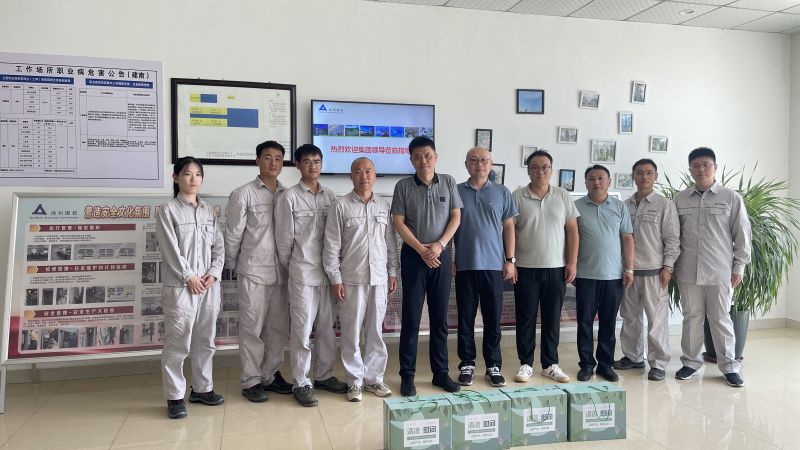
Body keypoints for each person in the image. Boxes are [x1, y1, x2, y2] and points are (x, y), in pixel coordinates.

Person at [275, 144, 347, 407]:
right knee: (302, 329)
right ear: (297, 165)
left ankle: (324, 375)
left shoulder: (331, 196)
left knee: (327, 328)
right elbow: (284, 241)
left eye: (317, 161)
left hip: (329, 274)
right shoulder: (289, 197)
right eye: (307, 162)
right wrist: (295, 266)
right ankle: (301, 382)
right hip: (303, 273)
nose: (312, 166)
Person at [674, 147, 751, 387]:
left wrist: (739, 267)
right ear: (690, 170)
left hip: (720, 271)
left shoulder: (731, 198)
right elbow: (674, 235)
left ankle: (729, 367)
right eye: (696, 166)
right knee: (691, 318)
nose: (701, 169)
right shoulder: (680, 199)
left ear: (715, 167)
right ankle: (690, 363)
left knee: (720, 318)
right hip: (688, 270)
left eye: (706, 164)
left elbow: (742, 235)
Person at [323, 157, 399, 402]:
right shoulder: (340, 206)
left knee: (375, 332)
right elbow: (331, 246)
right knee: (351, 332)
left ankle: (374, 379)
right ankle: (354, 381)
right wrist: (335, 278)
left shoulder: (383, 206)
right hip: (351, 279)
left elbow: (390, 243)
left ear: (375, 175)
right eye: (358, 171)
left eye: (368, 171)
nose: (363, 176)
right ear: (351, 176)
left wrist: (392, 272)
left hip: (379, 279)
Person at [392, 136, 463, 396]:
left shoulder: (449, 182)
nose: (424, 160)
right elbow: (398, 222)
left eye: (428, 155)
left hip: (440, 256)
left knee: (439, 318)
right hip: (414, 256)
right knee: (411, 319)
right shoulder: (403, 186)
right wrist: (422, 249)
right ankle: (407, 376)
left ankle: (440, 373)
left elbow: (456, 217)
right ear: (411, 160)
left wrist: (440, 246)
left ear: (436, 157)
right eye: (418, 156)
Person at [156, 156, 225, 419]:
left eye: (198, 174)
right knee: (178, 343)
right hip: (181, 287)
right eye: (187, 173)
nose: (193, 179)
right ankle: (175, 397)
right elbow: (170, 250)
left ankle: (202, 389)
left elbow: (219, 246)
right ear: (176, 178)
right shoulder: (167, 211)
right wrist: (189, 277)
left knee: (205, 341)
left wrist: (213, 274)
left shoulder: (208, 211)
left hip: (207, 285)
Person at [225, 140, 293, 403]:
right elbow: (233, 234)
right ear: (257, 160)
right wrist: (233, 266)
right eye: (267, 157)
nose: (273, 163)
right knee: (252, 328)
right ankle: (251, 379)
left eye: (278, 158)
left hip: (281, 272)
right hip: (253, 270)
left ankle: (270, 374)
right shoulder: (243, 194)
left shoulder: (288, 194)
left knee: (277, 329)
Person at [512, 150, 579, 384]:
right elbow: (509, 231)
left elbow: (572, 230)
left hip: (556, 267)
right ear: (528, 170)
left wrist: (572, 262)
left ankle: (550, 364)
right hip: (525, 268)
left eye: (545, 167)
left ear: (551, 169)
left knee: (552, 319)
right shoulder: (517, 196)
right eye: (535, 167)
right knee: (526, 318)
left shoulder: (562, 195)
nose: (540, 171)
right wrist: (510, 261)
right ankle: (526, 364)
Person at [453, 147, 517, 388]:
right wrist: (451, 259)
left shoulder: (502, 192)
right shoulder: (456, 191)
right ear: (466, 164)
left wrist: (510, 260)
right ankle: (467, 364)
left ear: (491, 164)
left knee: (493, 319)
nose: (479, 164)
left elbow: (509, 226)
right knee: (465, 318)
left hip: (494, 266)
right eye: (474, 160)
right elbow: (448, 226)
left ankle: (493, 365)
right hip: (465, 265)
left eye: (484, 160)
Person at [613, 159, 680, 381]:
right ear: (633, 176)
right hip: (629, 272)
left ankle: (658, 364)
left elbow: (672, 239)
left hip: (655, 273)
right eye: (640, 173)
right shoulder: (624, 205)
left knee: (656, 321)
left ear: (656, 176)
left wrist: (668, 267)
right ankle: (633, 357)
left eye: (649, 173)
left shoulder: (664, 204)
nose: (644, 177)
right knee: (630, 318)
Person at [574, 165, 634, 382]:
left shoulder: (620, 207)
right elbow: (570, 238)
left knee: (608, 323)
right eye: (591, 179)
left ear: (609, 181)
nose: (596, 182)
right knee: (584, 323)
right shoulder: (576, 207)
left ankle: (605, 365)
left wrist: (629, 268)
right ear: (586, 182)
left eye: (600, 178)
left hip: (613, 276)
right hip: (585, 275)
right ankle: (586, 365)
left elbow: (627, 238)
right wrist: (571, 266)